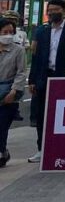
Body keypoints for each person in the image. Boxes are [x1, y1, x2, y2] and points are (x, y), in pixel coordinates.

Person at [27, 0, 65, 163]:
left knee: (64, 115)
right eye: (49, 10)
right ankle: (41, 149)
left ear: (63, 11)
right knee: (42, 115)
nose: (51, 13)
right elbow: (35, 57)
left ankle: (63, 147)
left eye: (55, 10)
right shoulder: (42, 31)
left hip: (63, 77)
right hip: (44, 76)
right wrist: (32, 80)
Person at [0, 19, 27, 167]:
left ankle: (1, 152)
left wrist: (14, 90)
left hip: (8, 93)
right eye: (5, 32)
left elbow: (21, 73)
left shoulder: (18, 50)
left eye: (11, 32)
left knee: (2, 125)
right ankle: (3, 152)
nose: (8, 35)